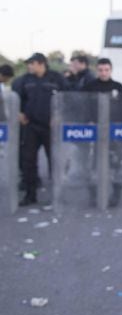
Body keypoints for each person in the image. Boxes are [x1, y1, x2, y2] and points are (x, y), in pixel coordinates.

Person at [14, 53, 66, 206]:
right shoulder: (25, 80)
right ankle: (30, 195)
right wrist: (19, 113)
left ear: (41, 64)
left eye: (31, 63)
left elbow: (67, 98)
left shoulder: (56, 78)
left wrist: (59, 116)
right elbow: (18, 98)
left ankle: (57, 196)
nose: (29, 66)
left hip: (51, 128)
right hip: (31, 126)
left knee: (54, 162)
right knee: (28, 161)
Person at [82, 58, 122, 207]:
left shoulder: (118, 87)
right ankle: (93, 195)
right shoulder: (89, 87)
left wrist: (121, 127)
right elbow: (83, 107)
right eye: (101, 70)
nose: (103, 73)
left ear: (111, 70)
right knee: (93, 164)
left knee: (116, 163)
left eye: (106, 70)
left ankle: (116, 194)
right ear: (97, 70)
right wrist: (88, 122)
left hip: (114, 132)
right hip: (95, 132)